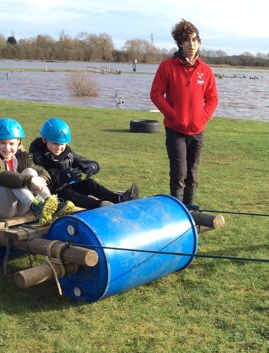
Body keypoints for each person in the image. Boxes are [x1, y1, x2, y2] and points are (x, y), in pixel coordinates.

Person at [150, 19, 219, 208]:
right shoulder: (167, 67)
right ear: (180, 43)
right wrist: (172, 114)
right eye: (187, 40)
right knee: (179, 174)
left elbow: (213, 98)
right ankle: (177, 213)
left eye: (195, 40)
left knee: (192, 174)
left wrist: (202, 118)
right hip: (175, 131)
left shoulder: (205, 71)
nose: (192, 44)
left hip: (197, 131)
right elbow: (156, 94)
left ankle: (190, 213)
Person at [0, 117, 70, 226]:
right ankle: (37, 207)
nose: (7, 148)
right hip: (0, 210)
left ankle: (50, 203)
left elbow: (40, 170)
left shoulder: (21, 157)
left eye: (11, 143)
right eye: (2, 143)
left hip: (22, 207)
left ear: (18, 143)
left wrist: (41, 179)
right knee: (11, 178)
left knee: (29, 171)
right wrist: (29, 180)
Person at [29, 118, 138, 210]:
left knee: (89, 183)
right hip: (50, 194)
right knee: (67, 192)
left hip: (68, 187)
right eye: (55, 143)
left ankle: (119, 199)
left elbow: (83, 160)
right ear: (44, 140)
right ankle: (100, 205)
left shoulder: (67, 153)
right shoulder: (36, 156)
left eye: (62, 144)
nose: (59, 148)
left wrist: (93, 166)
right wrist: (65, 176)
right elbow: (43, 179)